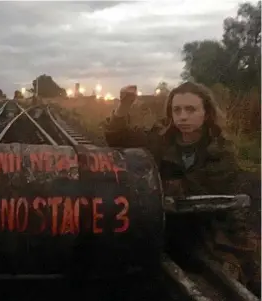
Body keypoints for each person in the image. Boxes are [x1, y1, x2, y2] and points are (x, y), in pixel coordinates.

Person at [104, 82, 260, 293]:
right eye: (177, 110)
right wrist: (124, 105)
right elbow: (117, 138)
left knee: (238, 277)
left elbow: (198, 189)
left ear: (206, 113)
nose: (183, 116)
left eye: (191, 109)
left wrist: (149, 188)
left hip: (207, 229)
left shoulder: (222, 151)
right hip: (166, 224)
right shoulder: (161, 139)